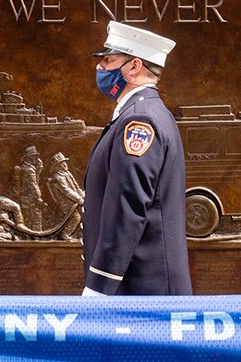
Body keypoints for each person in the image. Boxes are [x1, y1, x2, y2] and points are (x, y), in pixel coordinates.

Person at [82, 21, 192, 296]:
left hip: (141, 292)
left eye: (109, 60)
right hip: (139, 288)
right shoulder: (145, 113)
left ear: (134, 67)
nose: (100, 67)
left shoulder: (140, 121)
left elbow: (127, 206)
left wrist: (99, 286)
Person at [46, 152, 85, 241]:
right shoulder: (58, 178)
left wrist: (82, 195)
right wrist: (79, 199)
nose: (65, 164)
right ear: (57, 166)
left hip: (74, 200)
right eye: (61, 163)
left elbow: (75, 186)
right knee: (76, 217)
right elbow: (67, 191)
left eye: (64, 162)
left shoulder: (67, 173)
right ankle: (65, 234)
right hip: (66, 203)